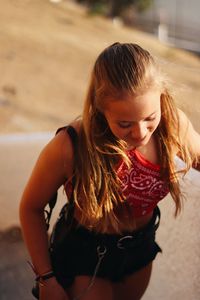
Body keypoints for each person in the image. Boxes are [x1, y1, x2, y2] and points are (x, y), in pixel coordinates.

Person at [19, 42, 200, 300]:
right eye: (124, 124)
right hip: (84, 255)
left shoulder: (172, 126)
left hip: (139, 251)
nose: (140, 133)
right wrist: (46, 278)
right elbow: (30, 208)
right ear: (100, 108)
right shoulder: (70, 145)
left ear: (161, 96)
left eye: (150, 117)